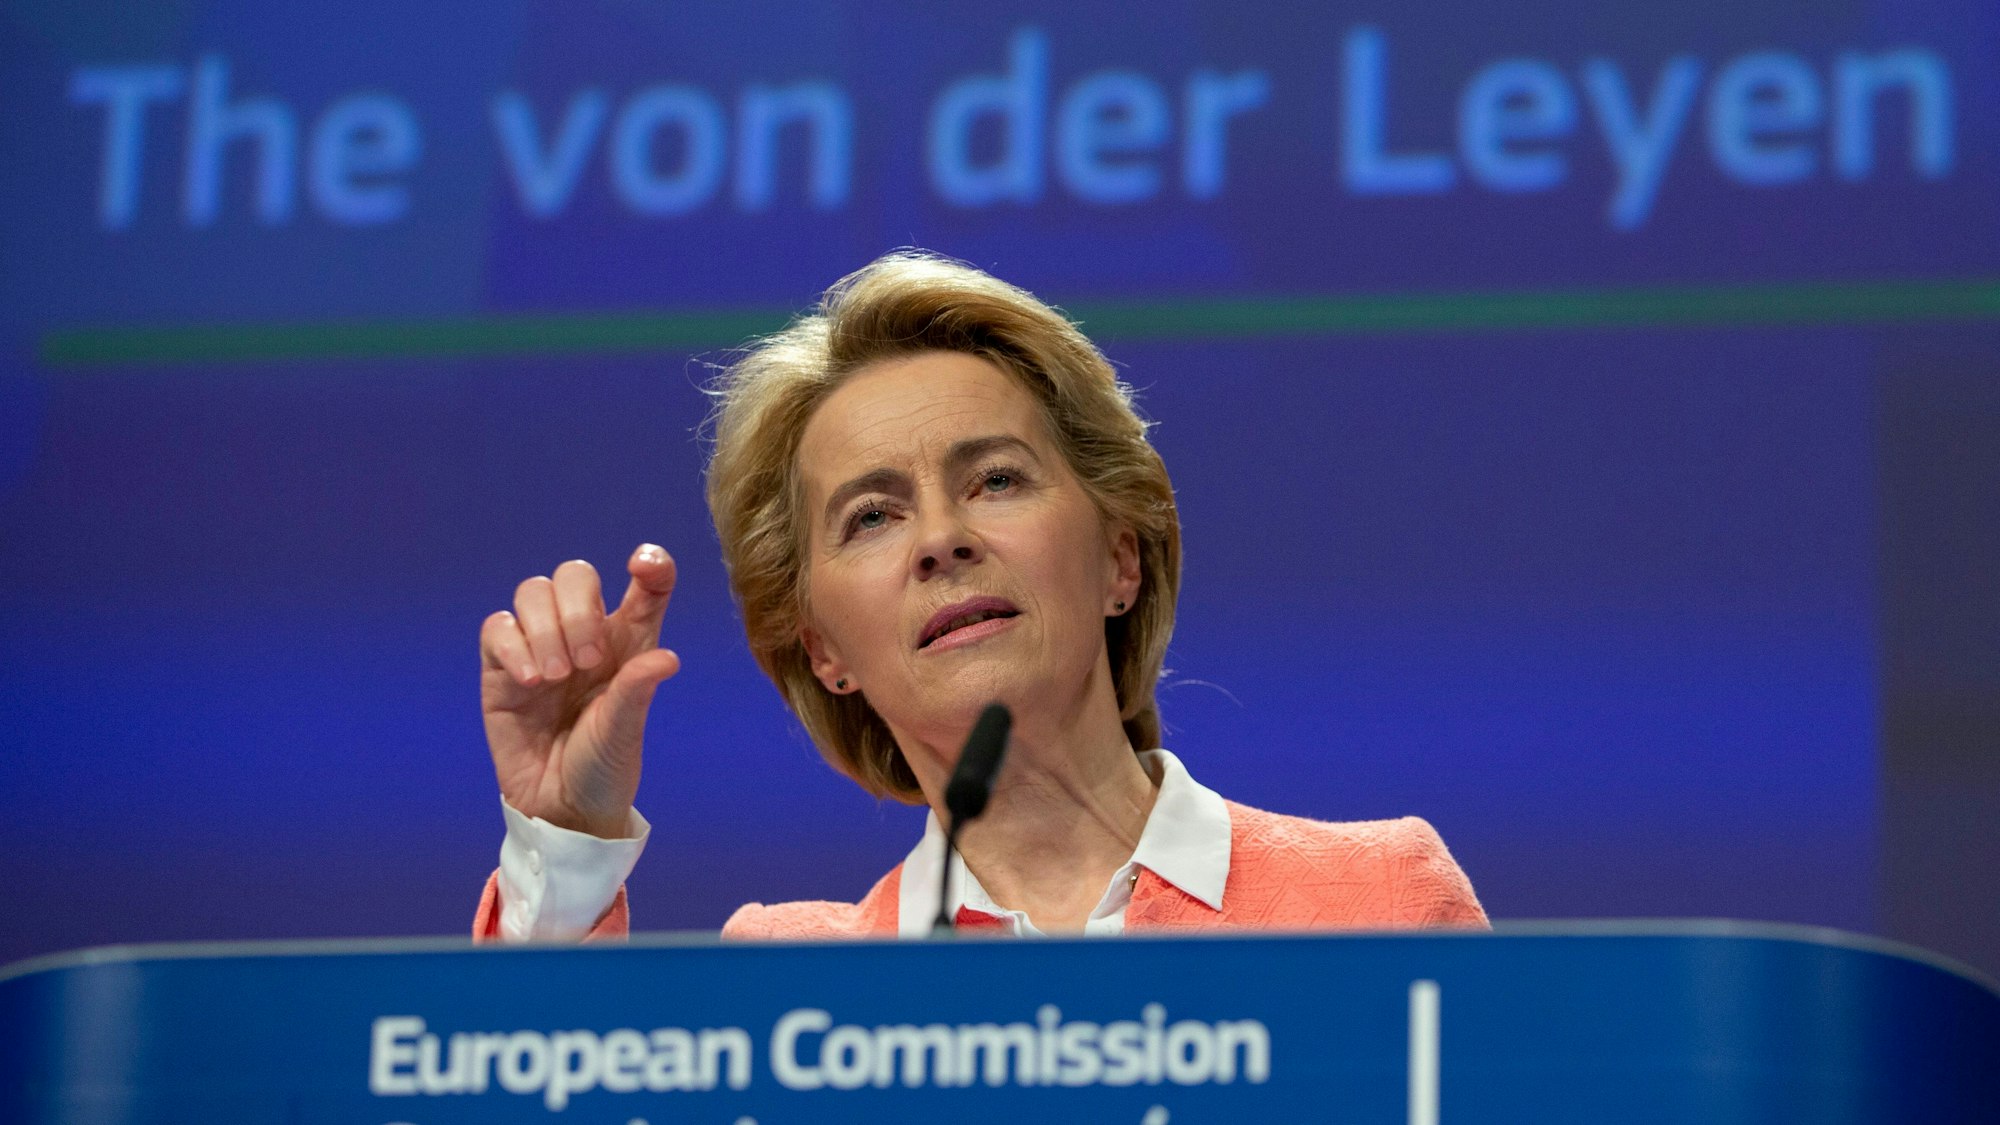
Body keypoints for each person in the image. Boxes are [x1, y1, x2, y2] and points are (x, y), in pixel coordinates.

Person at [472, 251, 1487, 941]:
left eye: (996, 480)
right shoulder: (793, 976)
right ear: (822, 648)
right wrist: (563, 843)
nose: (939, 539)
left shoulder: (1376, 903)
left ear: (1119, 558)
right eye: (871, 516)